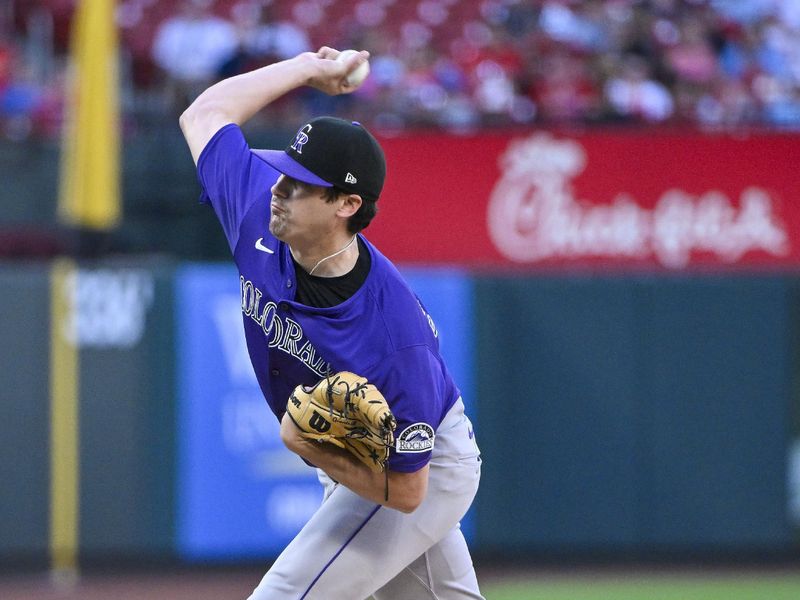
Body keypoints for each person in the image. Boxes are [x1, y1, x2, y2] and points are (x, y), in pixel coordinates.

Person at [179, 47, 484, 599]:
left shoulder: (393, 338)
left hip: (421, 467)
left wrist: (312, 447)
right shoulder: (258, 210)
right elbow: (204, 114)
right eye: (281, 174)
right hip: (359, 458)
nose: (277, 189)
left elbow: (409, 491)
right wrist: (307, 69)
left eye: (298, 185)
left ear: (346, 204)